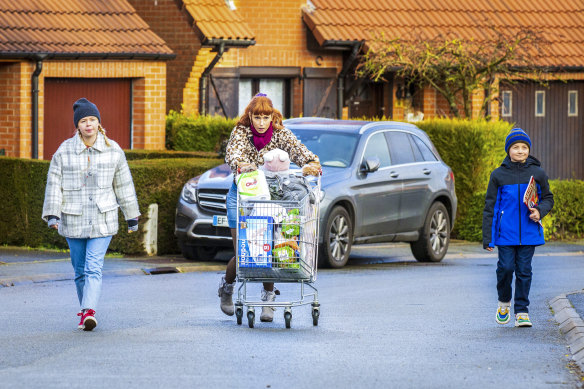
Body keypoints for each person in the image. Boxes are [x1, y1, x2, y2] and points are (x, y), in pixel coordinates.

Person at [218, 93, 321, 322]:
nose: (262, 122)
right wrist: (241, 164)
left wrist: (312, 162)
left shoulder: (280, 133)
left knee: (268, 248)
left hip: (270, 195)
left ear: (272, 116)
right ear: (250, 116)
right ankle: (227, 287)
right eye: (257, 117)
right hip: (243, 195)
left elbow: (298, 150)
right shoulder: (241, 132)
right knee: (244, 251)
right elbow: (232, 153)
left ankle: (268, 297)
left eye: (266, 117)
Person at [42, 98, 140, 331]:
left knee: (93, 267)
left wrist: (131, 215)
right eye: (84, 121)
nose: (88, 125)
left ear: (98, 123)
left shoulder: (113, 150)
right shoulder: (64, 151)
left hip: (102, 218)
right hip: (73, 218)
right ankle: (86, 309)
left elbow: (124, 184)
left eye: (92, 120)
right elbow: (54, 184)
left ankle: (88, 312)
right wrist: (53, 215)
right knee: (79, 271)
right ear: (77, 125)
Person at [483, 128, 554, 327]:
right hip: (505, 234)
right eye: (516, 147)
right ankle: (504, 302)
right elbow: (490, 207)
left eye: (524, 147)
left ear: (529, 150)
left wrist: (540, 210)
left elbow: (548, 198)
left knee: (524, 271)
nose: (521, 151)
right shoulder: (498, 175)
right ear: (508, 150)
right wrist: (488, 237)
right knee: (505, 269)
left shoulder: (537, 173)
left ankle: (522, 311)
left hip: (529, 233)